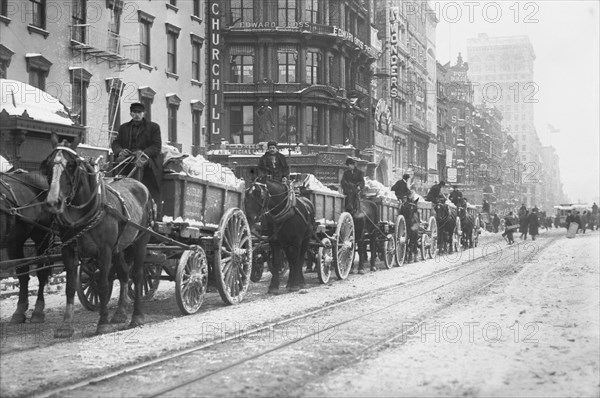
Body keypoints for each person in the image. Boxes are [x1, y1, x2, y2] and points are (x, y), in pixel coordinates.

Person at [112, 102, 163, 217]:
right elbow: (116, 142)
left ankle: (136, 192)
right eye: (134, 112)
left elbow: (156, 146)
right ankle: (117, 190)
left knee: (138, 162)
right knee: (119, 160)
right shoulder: (123, 127)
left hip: (147, 159)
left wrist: (143, 153)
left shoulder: (154, 127)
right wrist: (120, 150)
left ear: (143, 113)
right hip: (128, 157)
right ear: (130, 113)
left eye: (139, 112)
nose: (137, 115)